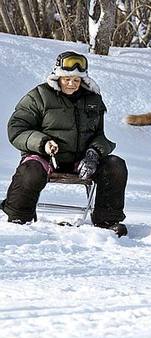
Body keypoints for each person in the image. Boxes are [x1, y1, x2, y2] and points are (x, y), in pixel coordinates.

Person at [1, 51, 128, 237]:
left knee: (115, 165)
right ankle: (19, 217)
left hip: (81, 159)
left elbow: (100, 135)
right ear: (58, 76)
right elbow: (17, 128)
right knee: (30, 171)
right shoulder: (39, 96)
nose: (72, 84)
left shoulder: (93, 100)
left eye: (77, 80)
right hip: (45, 157)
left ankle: (107, 221)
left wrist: (93, 153)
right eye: (67, 78)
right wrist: (43, 143)